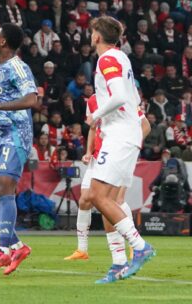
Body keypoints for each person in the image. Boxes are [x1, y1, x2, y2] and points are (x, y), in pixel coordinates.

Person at [86, 16, 156, 283]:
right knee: (110, 201)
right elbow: (133, 99)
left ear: (97, 36)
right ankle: (118, 263)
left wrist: (97, 114)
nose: (90, 35)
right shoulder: (122, 57)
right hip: (127, 134)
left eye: (92, 31)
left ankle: (140, 247)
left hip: (119, 136)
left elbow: (117, 96)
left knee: (96, 196)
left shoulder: (107, 59)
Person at [0, 23, 37, 275]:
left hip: (15, 135)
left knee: (4, 186)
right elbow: (2, 104)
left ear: (3, 42)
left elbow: (31, 99)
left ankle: (3, 249)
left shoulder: (17, 67)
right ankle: (17, 245)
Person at [65, 94, 150, 266]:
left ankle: (134, 245)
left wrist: (130, 146)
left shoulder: (124, 96)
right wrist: (89, 152)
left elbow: (145, 126)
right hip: (99, 158)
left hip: (119, 156)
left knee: (115, 201)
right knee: (85, 200)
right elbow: (93, 128)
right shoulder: (93, 100)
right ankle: (82, 249)